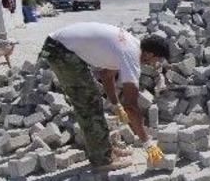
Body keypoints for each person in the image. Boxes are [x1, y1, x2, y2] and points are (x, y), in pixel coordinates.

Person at [39, 23, 170, 171]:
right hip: (59, 50)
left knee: (92, 99)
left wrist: (115, 104)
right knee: (88, 103)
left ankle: (104, 150)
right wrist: (147, 142)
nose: (157, 64)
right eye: (158, 60)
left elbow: (106, 75)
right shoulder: (130, 55)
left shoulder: (130, 46)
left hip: (61, 46)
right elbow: (132, 106)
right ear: (150, 54)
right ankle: (102, 159)